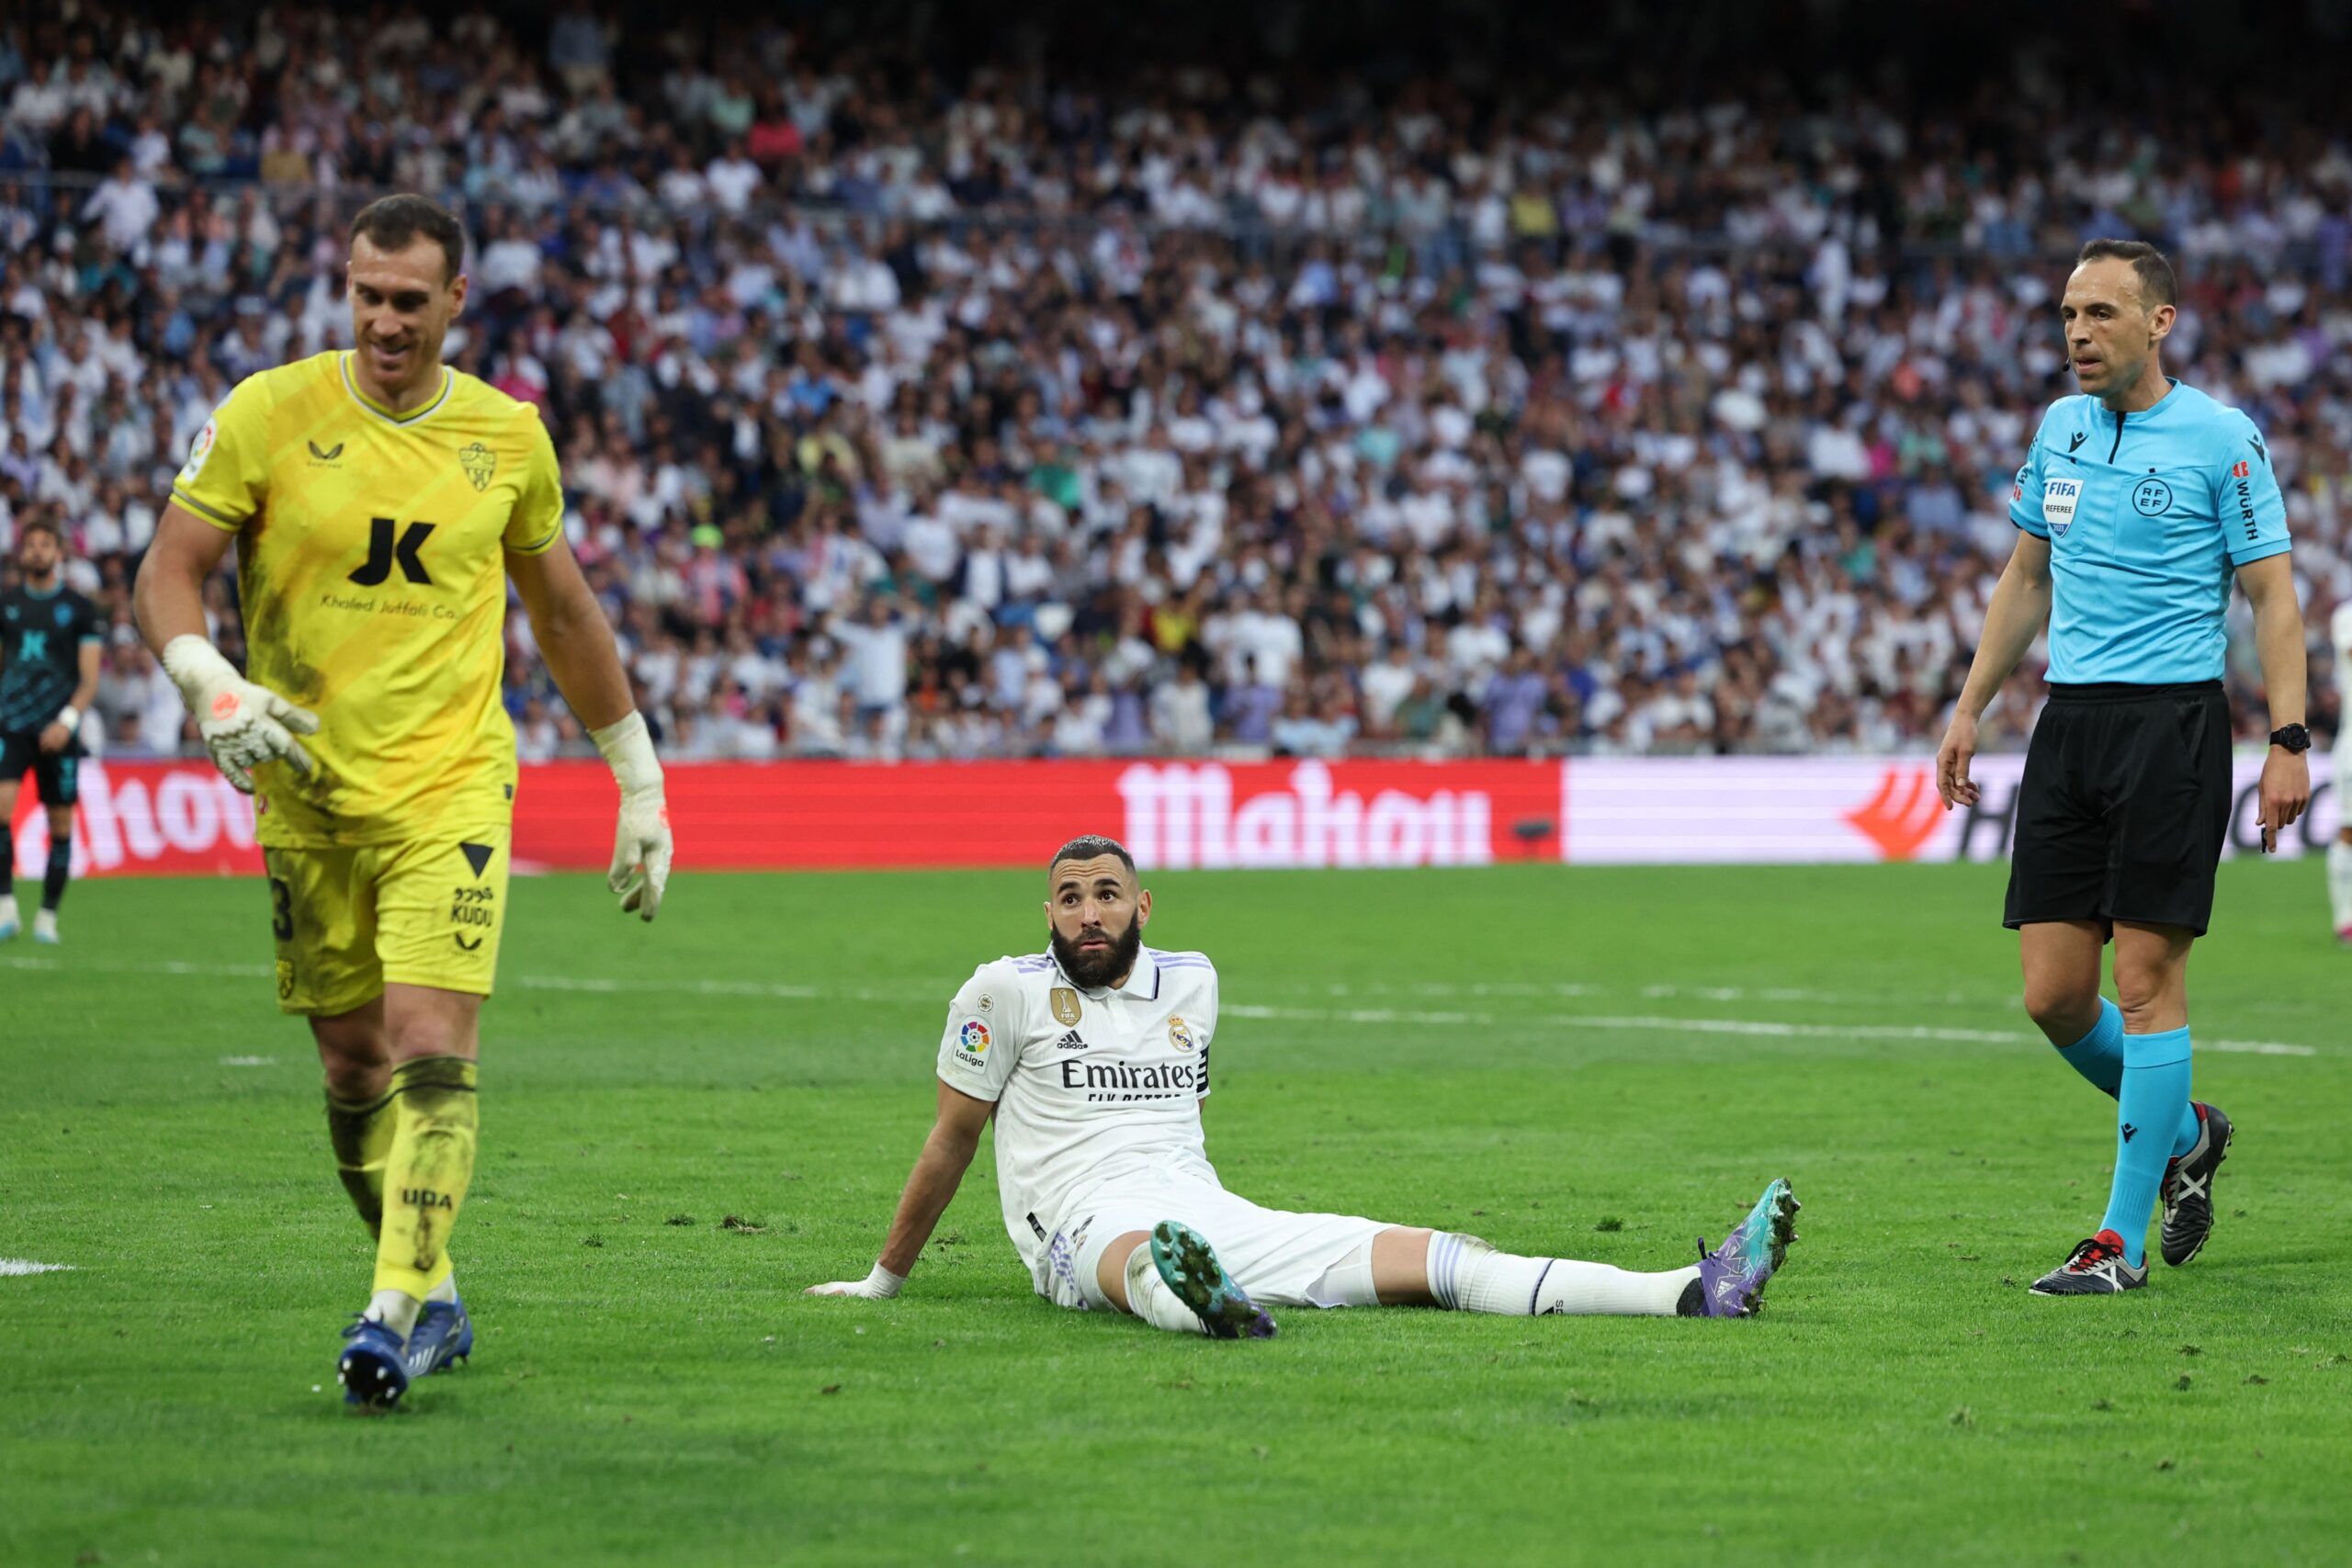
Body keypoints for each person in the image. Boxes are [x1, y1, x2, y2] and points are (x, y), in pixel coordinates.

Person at [131, 194, 676, 1409]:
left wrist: (635, 774)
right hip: (307, 788)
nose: (384, 320)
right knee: (348, 1067)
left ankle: (390, 1310)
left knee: (433, 1045)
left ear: (454, 301)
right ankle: (434, 1287)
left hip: (451, 786)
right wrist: (206, 679)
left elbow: (565, 611)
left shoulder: (505, 435)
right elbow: (168, 570)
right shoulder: (268, 413)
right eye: (367, 296)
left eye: (408, 301)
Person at [808, 834, 1797, 1335]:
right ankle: (1200, 1305)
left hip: (1203, 1206)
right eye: (1069, 899)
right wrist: (884, 1278)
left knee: (1435, 1259)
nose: (1088, 914)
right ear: (1047, 911)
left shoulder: (1191, 978)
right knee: (1140, 1256)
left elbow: (1182, 1114)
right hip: (1074, 1220)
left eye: (1106, 893)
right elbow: (953, 1137)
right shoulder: (1000, 992)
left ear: (1141, 902)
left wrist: (1196, 1203)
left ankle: (1686, 1292)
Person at [1935, 240, 2308, 1296]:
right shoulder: (2057, 430)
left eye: (2100, 313)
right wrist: (1969, 709)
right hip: (2068, 730)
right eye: (2066, 314)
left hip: (2172, 730)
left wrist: (2289, 739)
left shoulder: (2220, 438)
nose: (2076, 334)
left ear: (2159, 322)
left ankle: (2116, 1243)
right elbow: (2024, 576)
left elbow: (2272, 597)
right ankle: (2189, 1134)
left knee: (2144, 986)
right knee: (2054, 996)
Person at [0, 516, 101, 943]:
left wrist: (67, 722)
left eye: (45, 545)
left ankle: (47, 917)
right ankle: (6, 908)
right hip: (11, 725)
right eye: (31, 545)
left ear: (59, 553)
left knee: (61, 828)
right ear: (23, 553)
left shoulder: (80, 608)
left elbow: (89, 678)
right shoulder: (6, 604)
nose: (37, 551)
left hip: (60, 730)